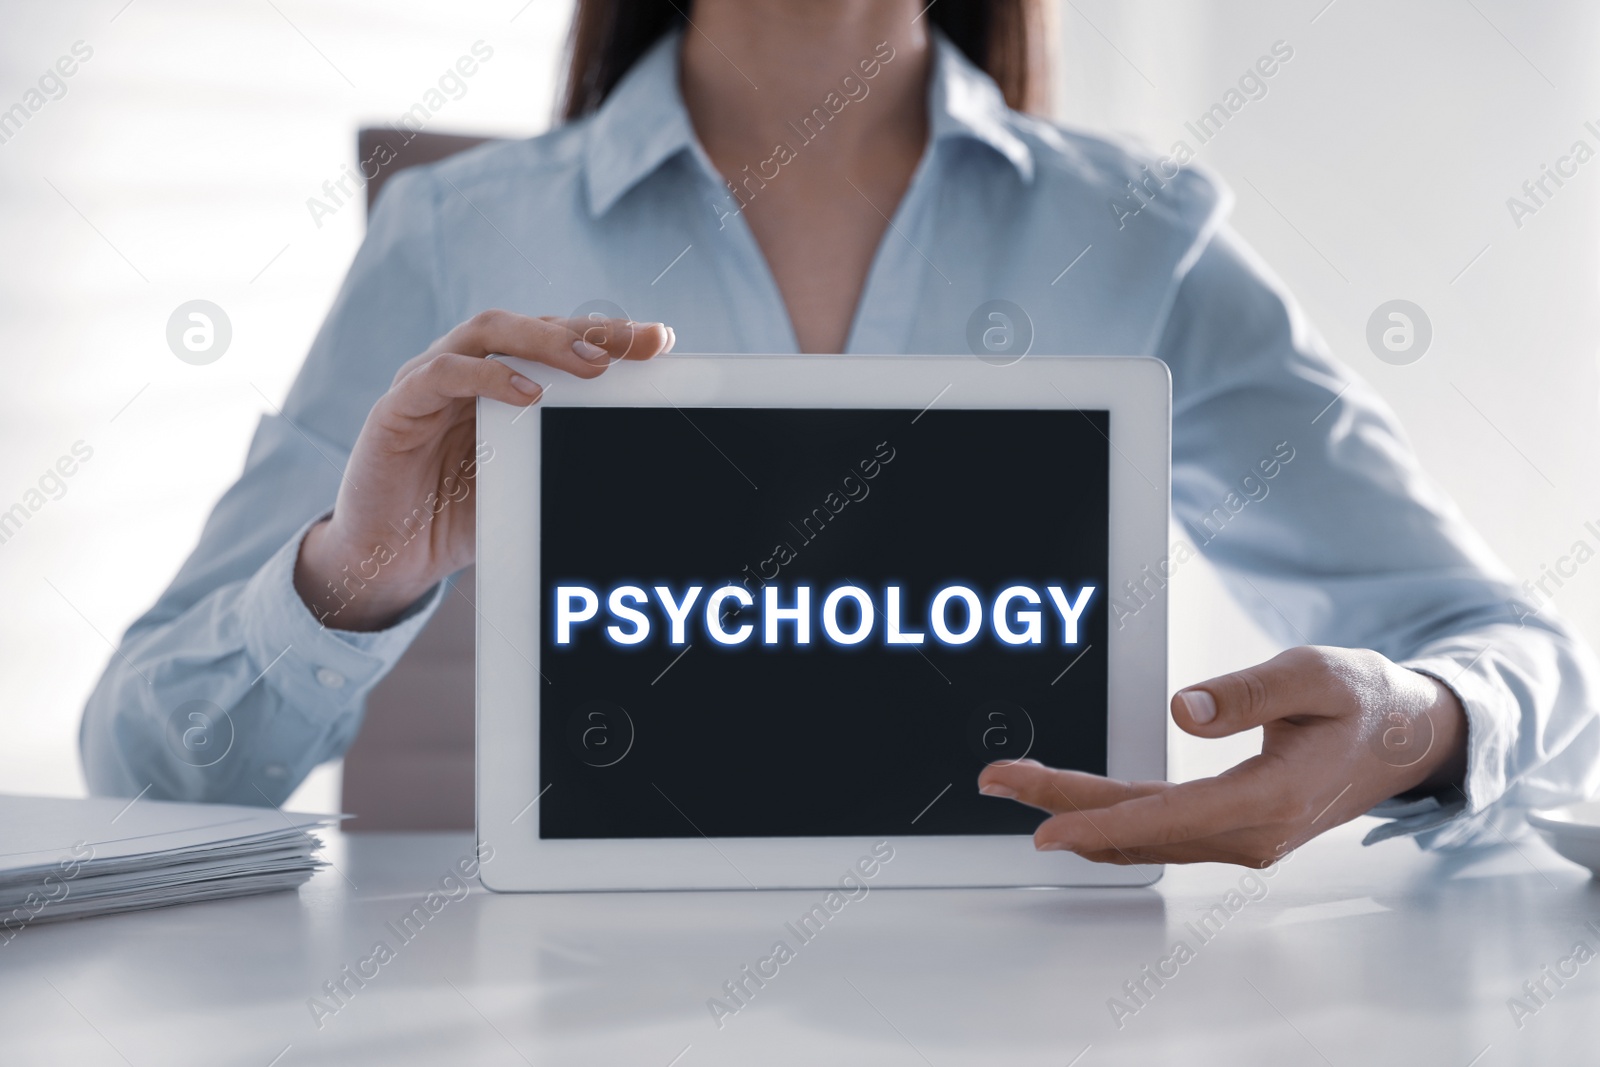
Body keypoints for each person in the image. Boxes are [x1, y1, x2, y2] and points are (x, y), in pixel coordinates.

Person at [80, 0, 1598, 867]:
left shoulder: (1142, 237)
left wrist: (1419, 724)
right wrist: (353, 576)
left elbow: (1509, 648)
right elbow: (146, 765)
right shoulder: (452, 237)